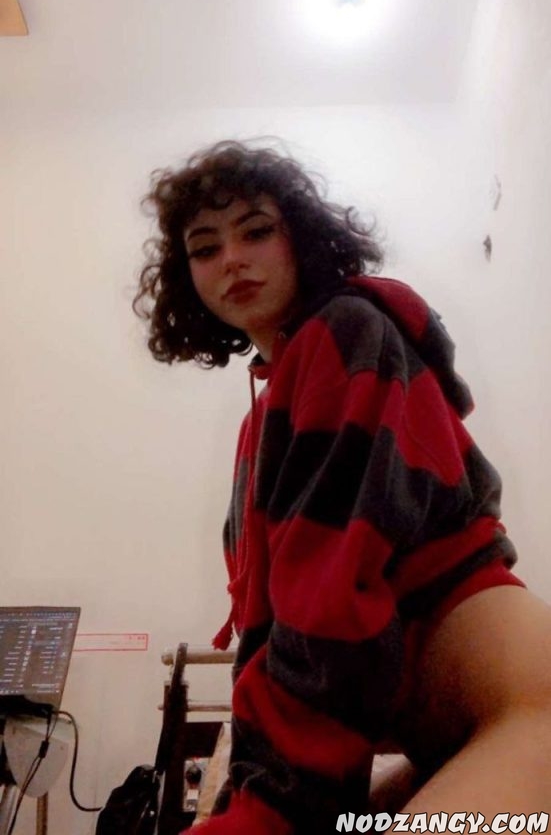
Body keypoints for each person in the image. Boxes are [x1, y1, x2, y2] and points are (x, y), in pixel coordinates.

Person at [134, 140, 551, 832]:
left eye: (256, 231)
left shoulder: (343, 335)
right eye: (204, 248)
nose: (231, 258)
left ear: (300, 238)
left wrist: (271, 803)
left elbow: (326, 601)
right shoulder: (268, 413)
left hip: (528, 715)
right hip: (461, 734)